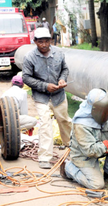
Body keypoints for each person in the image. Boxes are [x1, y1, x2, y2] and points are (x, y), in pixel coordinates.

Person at [60, 88, 108, 189]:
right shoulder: (81, 125)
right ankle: (68, 168)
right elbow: (90, 151)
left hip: (100, 146)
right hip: (84, 156)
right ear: (97, 109)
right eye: (107, 109)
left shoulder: (104, 111)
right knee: (97, 185)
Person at [22, 27, 72, 169]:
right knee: (45, 124)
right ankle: (44, 157)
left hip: (58, 96)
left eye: (46, 41)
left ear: (51, 41)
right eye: (40, 42)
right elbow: (26, 77)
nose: (44, 45)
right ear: (35, 42)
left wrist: (62, 80)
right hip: (41, 96)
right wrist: (45, 86)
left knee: (65, 122)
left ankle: (72, 151)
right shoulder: (30, 57)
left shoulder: (59, 53)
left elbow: (65, 69)